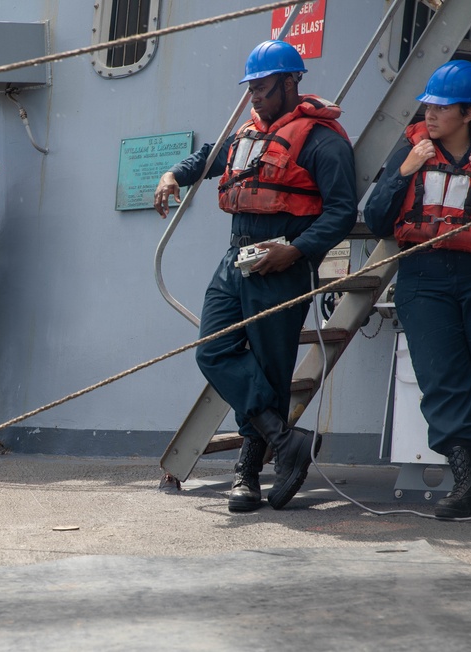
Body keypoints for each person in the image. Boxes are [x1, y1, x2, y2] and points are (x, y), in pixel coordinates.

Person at [153, 40, 357, 511]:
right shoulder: (247, 133)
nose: (255, 97)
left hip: (280, 264)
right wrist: (174, 174)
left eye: (263, 88)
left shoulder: (324, 142)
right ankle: (285, 442)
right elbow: (209, 156)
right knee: (213, 350)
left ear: (290, 83)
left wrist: (296, 251)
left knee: (269, 367)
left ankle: (248, 473)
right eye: (251, 89)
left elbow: (342, 212)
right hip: (236, 258)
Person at [364, 60, 471, 519]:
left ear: (468, 112)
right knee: (441, 379)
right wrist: (403, 172)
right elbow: (378, 219)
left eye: (440, 107)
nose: (430, 114)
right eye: (428, 105)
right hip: (423, 276)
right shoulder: (412, 152)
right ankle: (465, 484)